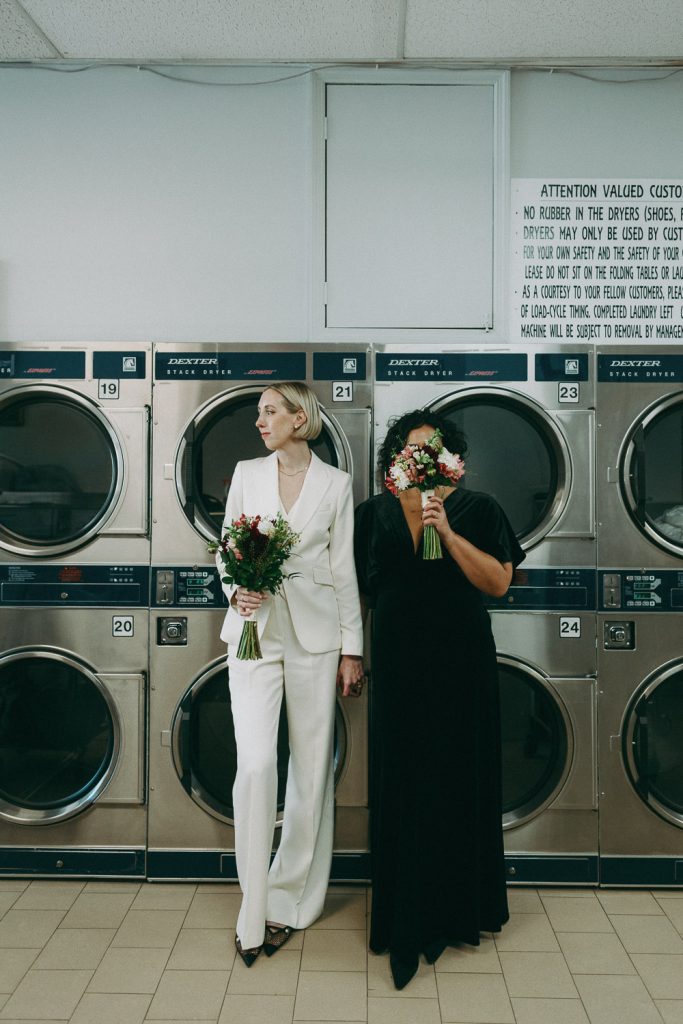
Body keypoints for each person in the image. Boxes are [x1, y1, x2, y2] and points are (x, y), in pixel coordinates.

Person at [354, 409, 525, 990]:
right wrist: (348, 654)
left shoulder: (479, 510)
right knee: (401, 780)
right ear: (394, 460)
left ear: (450, 458)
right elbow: (357, 592)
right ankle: (405, 916)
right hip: (398, 667)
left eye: (429, 449)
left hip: (460, 667)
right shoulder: (372, 515)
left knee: (453, 779)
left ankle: (454, 912)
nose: (417, 457)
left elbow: (499, 584)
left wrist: (446, 531)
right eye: (408, 448)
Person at [217, 382, 364, 967]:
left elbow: (342, 568)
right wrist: (236, 592)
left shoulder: (335, 483)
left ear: (300, 419)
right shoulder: (246, 473)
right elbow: (227, 546)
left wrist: (352, 649)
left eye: (270, 411)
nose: (260, 421)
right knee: (255, 764)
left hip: (315, 638)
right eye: (259, 413)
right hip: (254, 634)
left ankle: (287, 904)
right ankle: (252, 903)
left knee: (309, 771)